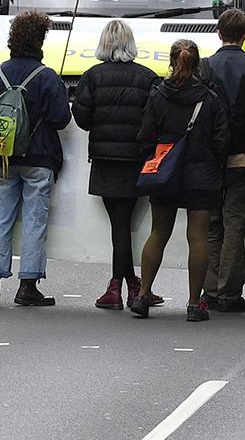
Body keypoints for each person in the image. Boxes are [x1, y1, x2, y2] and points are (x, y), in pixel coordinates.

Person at [0, 9, 71, 306]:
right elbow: (61, 119)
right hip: (40, 158)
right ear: (40, 40)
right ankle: (27, 285)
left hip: (1, 158)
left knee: (0, 221)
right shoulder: (47, 77)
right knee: (34, 223)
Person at [132, 40, 229, 322]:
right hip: (201, 175)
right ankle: (193, 303)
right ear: (198, 63)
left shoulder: (158, 95)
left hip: (164, 173)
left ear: (172, 62)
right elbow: (222, 139)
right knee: (197, 237)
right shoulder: (209, 98)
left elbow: (145, 137)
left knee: (158, 233)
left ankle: (143, 293)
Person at [73, 18, 160, 310]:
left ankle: (118, 287)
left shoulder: (92, 76)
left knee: (119, 225)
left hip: (106, 160)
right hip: (136, 160)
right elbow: (154, 120)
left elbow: (82, 118)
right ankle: (132, 285)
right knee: (123, 224)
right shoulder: (148, 77)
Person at [200, 9, 245, 312]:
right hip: (242, 157)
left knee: (212, 224)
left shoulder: (205, 66)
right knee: (235, 224)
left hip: (209, 158)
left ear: (219, 32)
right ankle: (229, 291)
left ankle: (210, 287)